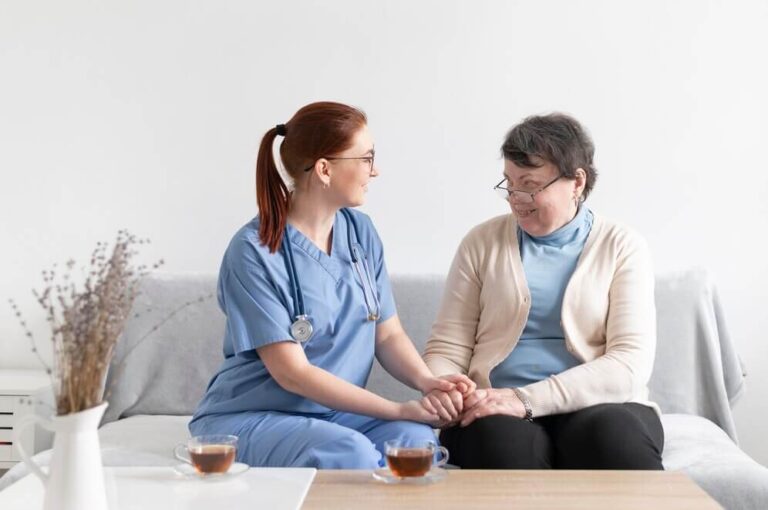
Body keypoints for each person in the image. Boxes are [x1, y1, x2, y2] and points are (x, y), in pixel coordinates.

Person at [190, 101, 473, 469]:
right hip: (256, 413)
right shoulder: (252, 252)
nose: (376, 171)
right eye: (367, 158)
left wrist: (427, 382)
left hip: (336, 414)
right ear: (324, 169)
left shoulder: (360, 232)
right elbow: (293, 373)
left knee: (415, 442)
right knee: (349, 454)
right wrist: (397, 408)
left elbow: (386, 336)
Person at [422, 113, 664, 470]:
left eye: (530, 184)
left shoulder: (623, 246)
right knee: (501, 445)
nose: (516, 198)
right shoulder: (481, 243)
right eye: (509, 183)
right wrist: (447, 387)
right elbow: (448, 348)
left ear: (576, 182)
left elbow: (628, 364)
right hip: (495, 410)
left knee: (613, 438)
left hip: (599, 408)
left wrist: (524, 399)